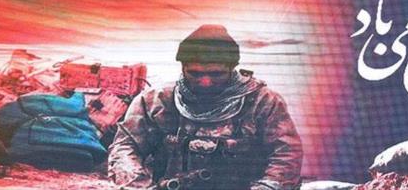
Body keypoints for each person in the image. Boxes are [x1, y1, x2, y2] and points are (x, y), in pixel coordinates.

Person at [108, 25, 302, 190]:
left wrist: (266, 187)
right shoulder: (156, 101)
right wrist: (137, 185)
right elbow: (126, 146)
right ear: (183, 67)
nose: (205, 83)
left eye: (216, 74)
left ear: (232, 67)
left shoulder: (263, 102)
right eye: (195, 73)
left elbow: (286, 155)